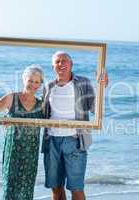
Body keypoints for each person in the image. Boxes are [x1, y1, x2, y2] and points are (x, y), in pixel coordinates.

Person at [41, 51, 108, 200]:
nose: (61, 64)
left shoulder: (83, 83)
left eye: (64, 61)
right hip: (51, 141)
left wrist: (102, 87)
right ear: (53, 66)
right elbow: (41, 112)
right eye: (57, 62)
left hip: (75, 141)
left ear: (71, 65)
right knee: (56, 188)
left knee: (76, 188)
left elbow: (94, 108)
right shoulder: (48, 86)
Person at [0, 65, 44, 200]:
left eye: (37, 81)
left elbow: (54, 122)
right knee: (10, 188)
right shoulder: (11, 98)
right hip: (13, 150)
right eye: (30, 80)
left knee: (26, 190)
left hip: (30, 153)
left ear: (40, 84)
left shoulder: (41, 105)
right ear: (24, 80)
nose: (33, 84)